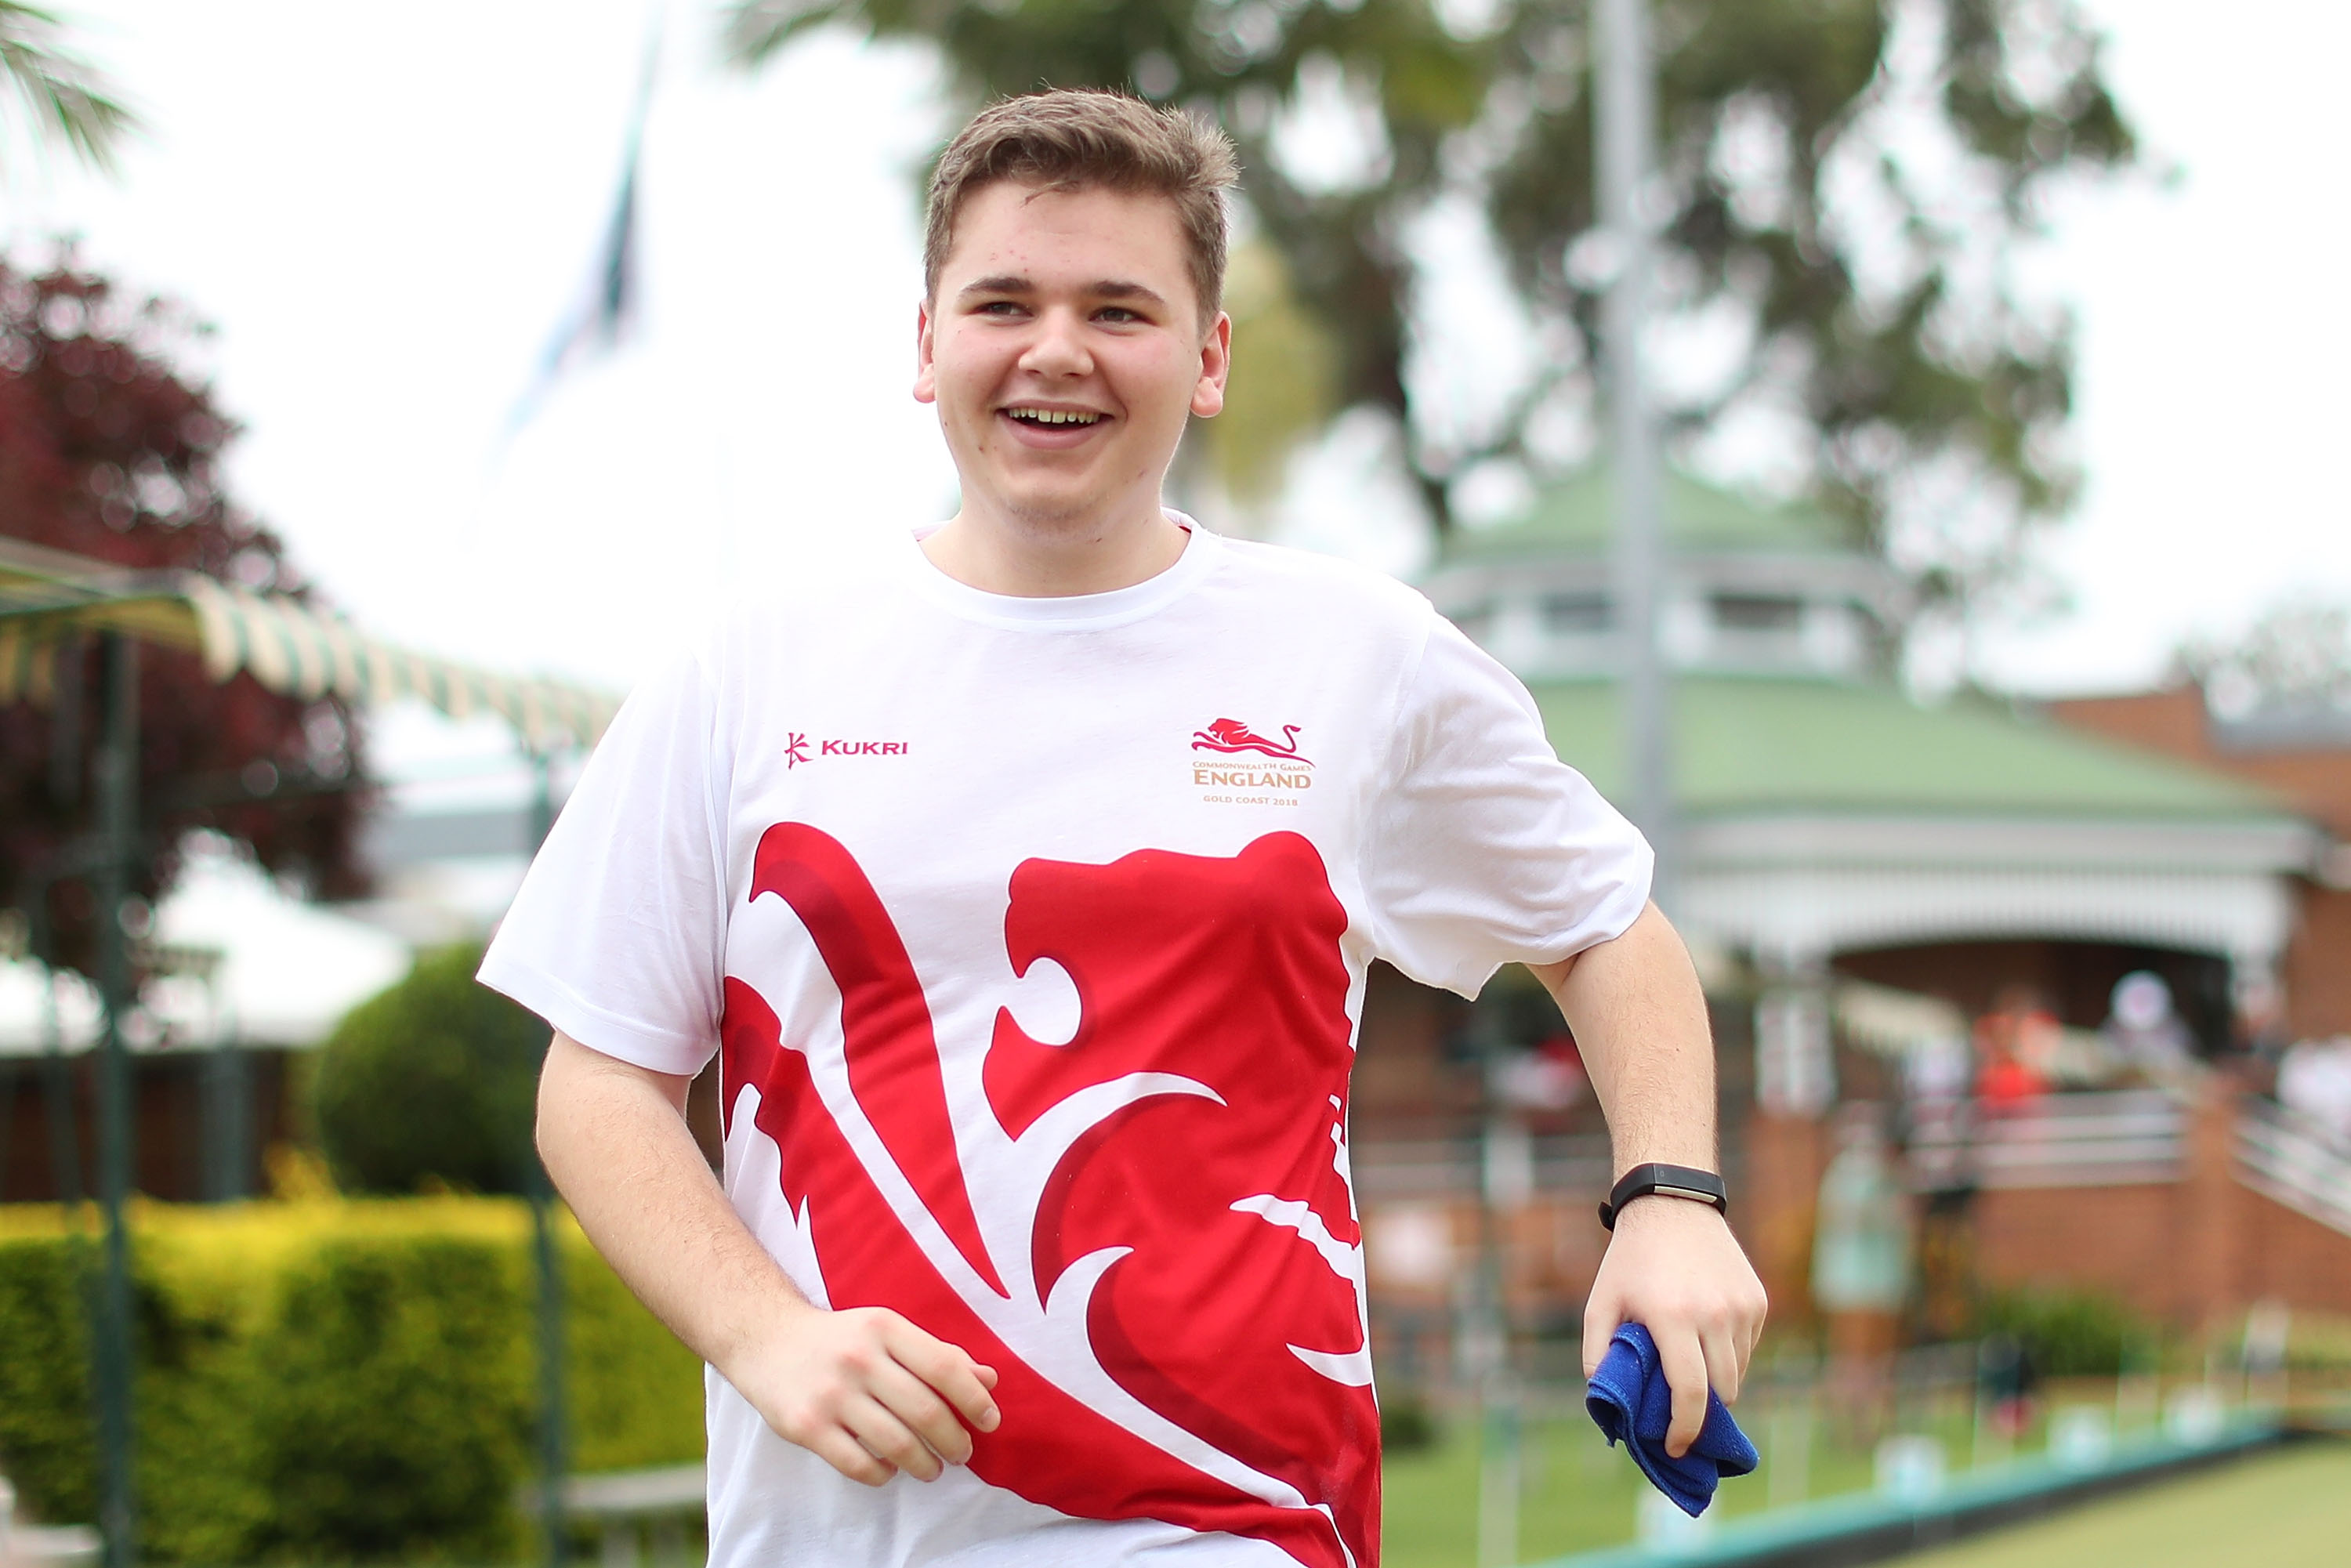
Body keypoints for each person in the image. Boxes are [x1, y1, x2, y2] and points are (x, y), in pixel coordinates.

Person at [482, 89, 1766, 1568]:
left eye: (1121, 309)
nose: (1056, 351)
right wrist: (762, 1333)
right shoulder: (748, 668)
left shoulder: (1358, 654)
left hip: (1240, 1526)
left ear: (1208, 357)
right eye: (1005, 301)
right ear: (924, 343)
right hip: (840, 1536)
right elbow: (596, 1082)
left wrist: (1669, 1197)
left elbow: (1604, 920)